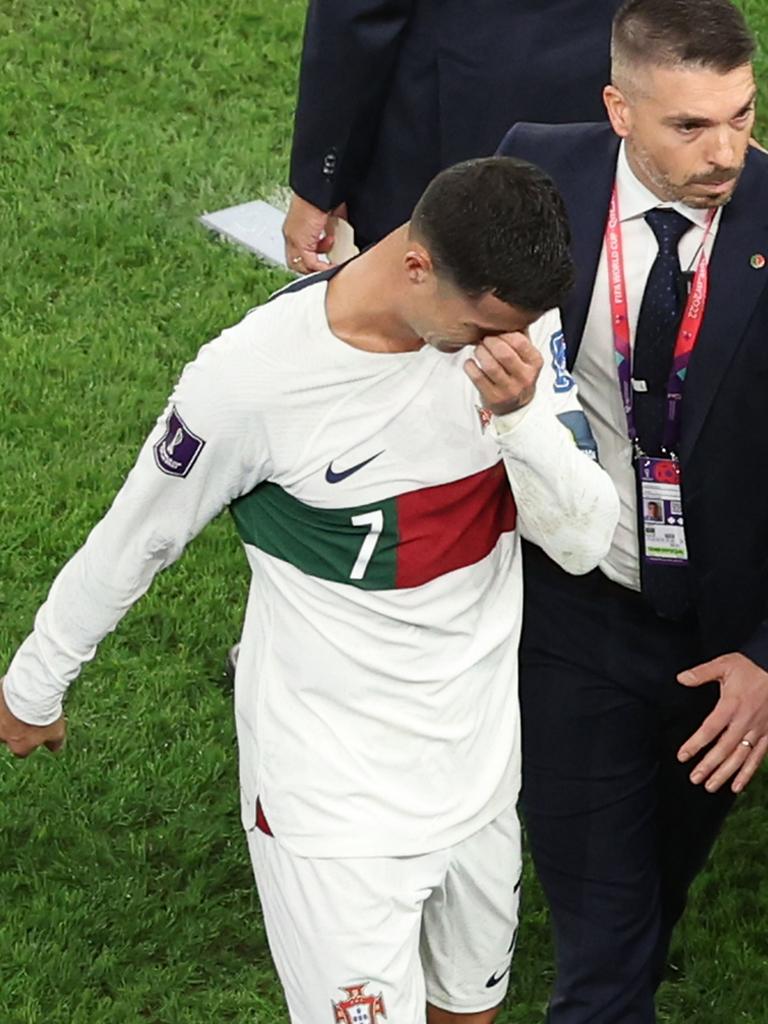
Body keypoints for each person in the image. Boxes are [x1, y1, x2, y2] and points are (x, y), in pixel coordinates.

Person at [0, 158, 619, 1024]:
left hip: (480, 779)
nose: (496, 347)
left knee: (469, 1015)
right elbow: (135, 537)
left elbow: (586, 541)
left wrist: (522, 419)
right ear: (415, 266)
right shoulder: (251, 383)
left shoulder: (510, 339)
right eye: (480, 325)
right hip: (334, 807)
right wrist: (34, 685)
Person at [497, 1, 768, 1021]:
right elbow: (423, 293)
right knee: (605, 945)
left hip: (726, 644)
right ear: (617, 108)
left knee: (654, 891)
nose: (725, 151)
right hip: (575, 608)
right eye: (688, 127)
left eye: (741, 115)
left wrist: (767, 655)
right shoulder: (535, 169)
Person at [283, 0, 624, 272]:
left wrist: (320, 184)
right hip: (609, 78)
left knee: (431, 293)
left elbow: (357, 14)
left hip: (455, 110)